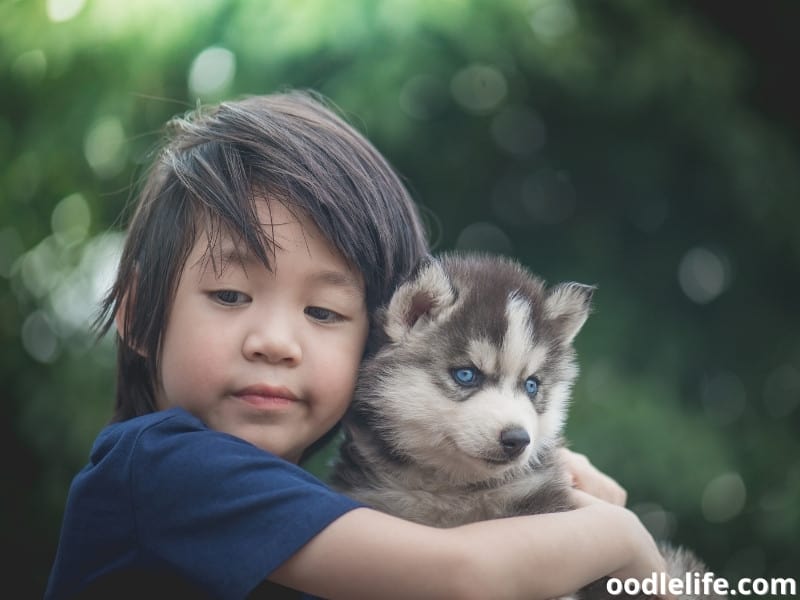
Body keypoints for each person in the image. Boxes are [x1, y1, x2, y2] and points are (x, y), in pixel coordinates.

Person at [45, 90, 668, 600]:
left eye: (323, 311)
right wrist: (624, 541)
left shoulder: (314, 512)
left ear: (376, 347)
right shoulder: (164, 467)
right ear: (137, 314)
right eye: (230, 295)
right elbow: (464, 575)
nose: (276, 343)